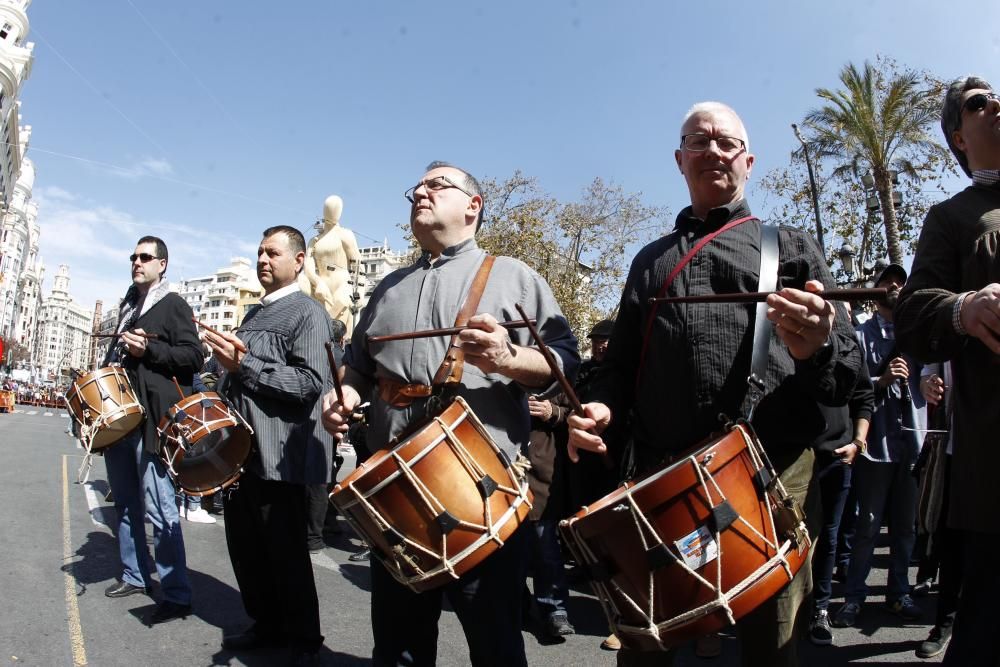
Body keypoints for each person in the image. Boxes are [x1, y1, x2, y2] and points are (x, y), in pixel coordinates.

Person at [566, 102, 862, 667]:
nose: (713, 151)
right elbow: (618, 366)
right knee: (647, 644)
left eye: (726, 142)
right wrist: (601, 406)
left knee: (771, 646)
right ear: (680, 160)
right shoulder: (649, 262)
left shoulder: (793, 247)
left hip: (770, 476)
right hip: (663, 478)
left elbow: (846, 377)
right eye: (698, 142)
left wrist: (819, 344)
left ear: (748, 161)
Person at [321, 161, 579, 667]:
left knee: (495, 641)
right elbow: (356, 367)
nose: (420, 191)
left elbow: (564, 363)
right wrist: (345, 396)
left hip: (483, 490)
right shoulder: (387, 287)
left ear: (473, 206)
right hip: (394, 490)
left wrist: (508, 359)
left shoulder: (516, 277)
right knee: (398, 642)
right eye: (416, 186)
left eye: (437, 184)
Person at [894, 75, 1000, 667]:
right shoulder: (953, 217)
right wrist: (963, 308)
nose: (997, 105)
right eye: (979, 103)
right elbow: (911, 316)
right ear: (958, 137)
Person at [202, 225, 336, 666]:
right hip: (241, 456)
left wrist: (244, 365)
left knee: (286, 555)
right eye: (259, 251)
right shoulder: (253, 316)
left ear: (298, 261)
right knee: (247, 549)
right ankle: (267, 624)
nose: (262, 259)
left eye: (272, 252)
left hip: (279, 458)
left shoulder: (307, 314)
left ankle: (304, 639)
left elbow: (310, 384)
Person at [102, 235, 200, 624]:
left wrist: (150, 351)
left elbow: (194, 356)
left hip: (154, 422)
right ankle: (135, 574)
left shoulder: (173, 304)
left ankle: (177, 593)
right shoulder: (128, 307)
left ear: (163, 264)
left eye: (146, 257)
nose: (137, 262)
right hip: (121, 418)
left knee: (160, 508)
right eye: (134, 256)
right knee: (125, 502)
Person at [831, 263, 926, 628]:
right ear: (874, 290)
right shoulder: (860, 335)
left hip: (913, 445)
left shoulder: (918, 334)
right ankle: (854, 597)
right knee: (867, 526)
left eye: (900, 282)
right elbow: (851, 389)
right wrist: (882, 379)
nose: (894, 287)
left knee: (906, 527)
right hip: (876, 445)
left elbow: (934, 376)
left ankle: (898, 594)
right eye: (886, 281)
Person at [807, 352, 874, 646]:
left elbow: (864, 396)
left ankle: (819, 609)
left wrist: (857, 443)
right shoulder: (781, 330)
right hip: (789, 458)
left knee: (828, 537)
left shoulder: (846, 340)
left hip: (836, 458)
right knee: (789, 539)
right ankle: (784, 612)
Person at [306, 318, 347, 552]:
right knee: (321, 479)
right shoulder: (339, 355)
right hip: (325, 420)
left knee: (316, 479)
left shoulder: (316, 350)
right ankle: (315, 535)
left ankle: (318, 528)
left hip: (311, 419)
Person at [298, 195, 362, 335]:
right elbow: (308, 265)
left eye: (336, 208)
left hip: (342, 288)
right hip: (320, 290)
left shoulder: (345, 234)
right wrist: (317, 282)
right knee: (319, 332)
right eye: (330, 207)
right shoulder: (314, 240)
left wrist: (358, 292)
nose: (333, 211)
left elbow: (357, 265)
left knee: (338, 333)